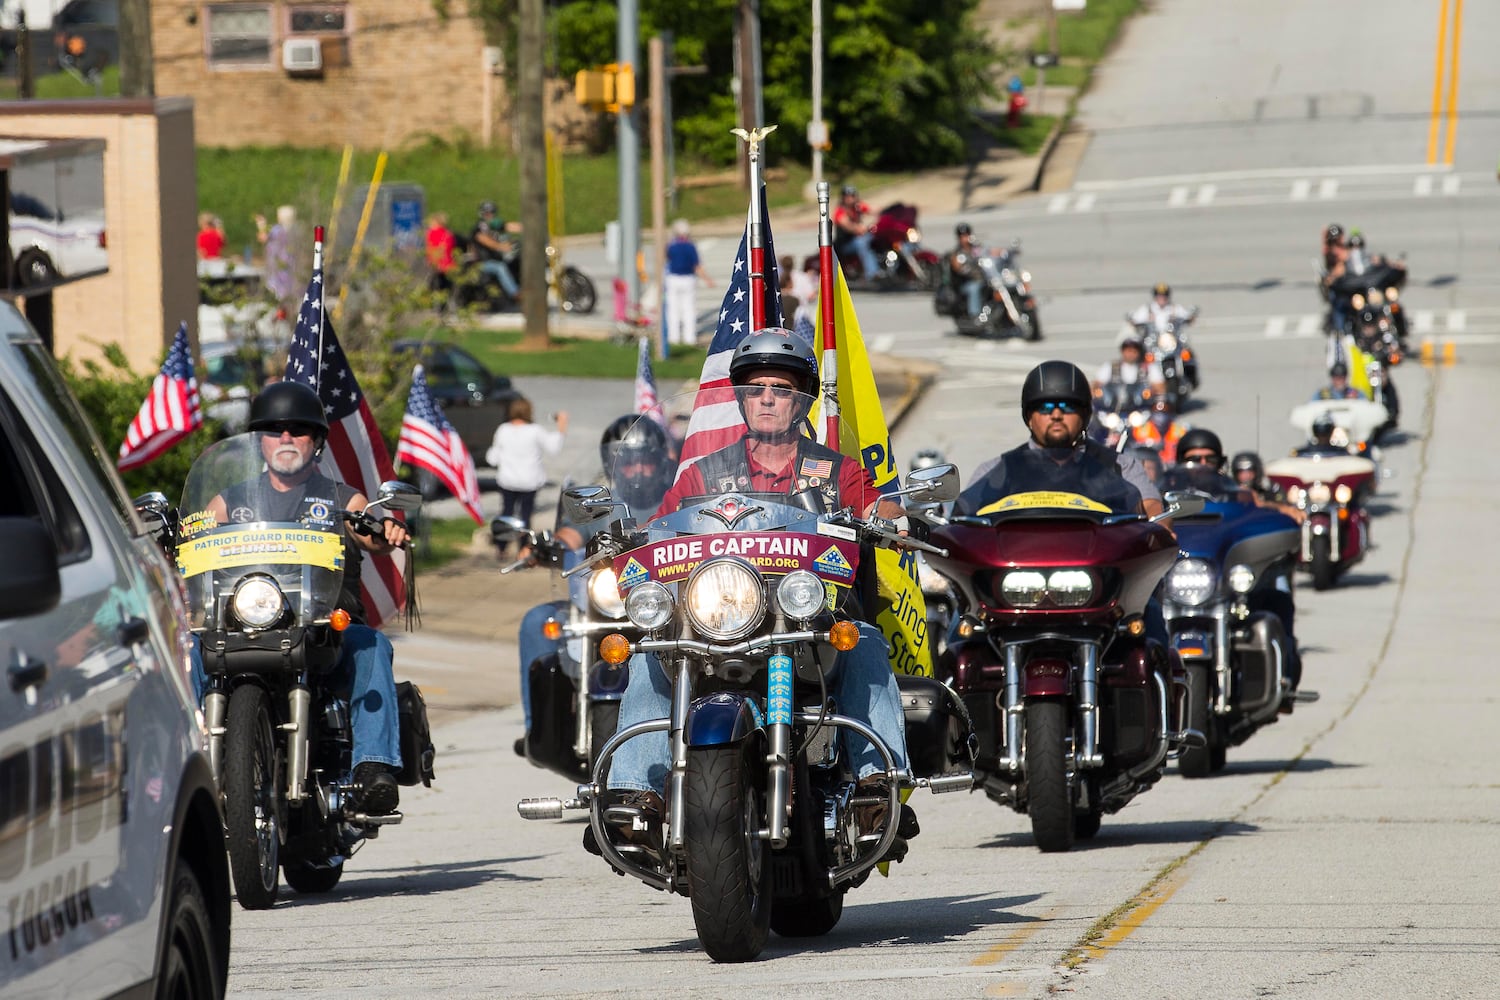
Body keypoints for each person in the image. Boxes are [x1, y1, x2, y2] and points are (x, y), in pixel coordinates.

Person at [601, 329, 916, 858]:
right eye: (755, 387)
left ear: (801, 400)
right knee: (649, 649)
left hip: (806, 622)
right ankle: (636, 792)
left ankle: (873, 786)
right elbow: (661, 527)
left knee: (861, 640)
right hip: (718, 618)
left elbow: (880, 506)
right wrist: (624, 535)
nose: (767, 397)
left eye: (780, 387)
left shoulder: (836, 471)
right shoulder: (704, 471)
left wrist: (893, 518)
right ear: (742, 398)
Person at [189, 382, 408, 814]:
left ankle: (372, 767)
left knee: (371, 645)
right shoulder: (229, 503)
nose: (285, 438)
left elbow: (369, 532)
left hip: (323, 631)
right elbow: (190, 541)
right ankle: (190, 754)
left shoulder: (342, 499)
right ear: (258, 442)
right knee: (192, 648)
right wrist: (162, 539)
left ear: (318, 442)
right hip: (246, 628)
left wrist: (386, 533)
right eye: (273, 430)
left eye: (297, 430)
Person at [513, 415, 675, 756]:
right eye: (626, 460)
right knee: (537, 621)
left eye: (644, 460)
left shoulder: (676, 499)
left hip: (663, 607)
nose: (636, 469)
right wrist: (548, 547)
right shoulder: (598, 502)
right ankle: (537, 731)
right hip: (604, 602)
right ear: (611, 462)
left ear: (659, 460)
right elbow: (570, 537)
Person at [1168, 429, 1302, 688]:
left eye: (1210, 460)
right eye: (1194, 459)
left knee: (1277, 600)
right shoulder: (1162, 498)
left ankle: (1282, 678)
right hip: (1181, 580)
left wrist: (1282, 511)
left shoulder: (1237, 495)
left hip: (1224, 583)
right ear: (1180, 462)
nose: (1203, 466)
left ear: (1221, 464)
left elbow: (1259, 508)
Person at [956, 360, 1163, 519]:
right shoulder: (997, 470)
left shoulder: (1120, 466)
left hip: (1101, 567)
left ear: (1085, 415)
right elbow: (962, 521)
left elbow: (1153, 509)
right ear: (1029, 416)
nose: (1056, 414)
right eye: (1045, 407)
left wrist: (1160, 526)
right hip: (1016, 568)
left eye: (1068, 406)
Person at [487, 397, 567, 528]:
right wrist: (562, 425)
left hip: (508, 480)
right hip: (529, 480)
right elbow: (554, 447)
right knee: (526, 513)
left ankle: (501, 545)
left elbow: (492, 458)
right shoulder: (535, 430)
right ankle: (523, 544)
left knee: (507, 512)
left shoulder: (503, 429)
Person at [664, 219, 711, 348]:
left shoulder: (671, 246)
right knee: (689, 309)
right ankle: (689, 337)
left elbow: (666, 258)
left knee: (673, 309)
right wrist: (707, 279)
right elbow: (696, 265)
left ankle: (673, 336)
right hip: (688, 279)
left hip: (673, 278)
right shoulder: (690, 246)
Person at [1093, 329, 1166, 407]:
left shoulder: (1149, 368)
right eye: (1128, 350)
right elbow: (1097, 385)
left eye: (1134, 351)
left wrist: (1152, 392)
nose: (1131, 354)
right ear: (1122, 351)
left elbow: (1160, 388)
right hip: (1114, 407)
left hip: (1142, 407)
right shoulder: (1110, 366)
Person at [471, 200, 521, 303]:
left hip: (494, 259)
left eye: (492, 213)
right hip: (481, 263)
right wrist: (501, 246)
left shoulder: (493, 225)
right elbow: (485, 240)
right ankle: (515, 293)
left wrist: (532, 227)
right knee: (500, 267)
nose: (491, 215)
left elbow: (509, 226)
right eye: (488, 213)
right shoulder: (480, 227)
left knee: (515, 262)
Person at [833, 185, 880, 281]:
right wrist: (858, 228)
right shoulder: (840, 211)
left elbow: (872, 210)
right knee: (862, 242)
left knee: (877, 238)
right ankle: (872, 273)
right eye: (847, 196)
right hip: (845, 244)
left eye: (852, 196)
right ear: (843, 198)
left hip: (857, 238)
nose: (850, 198)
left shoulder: (857, 207)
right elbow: (847, 224)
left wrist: (887, 213)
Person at [1128, 282, 1197, 338]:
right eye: (1159, 295)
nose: (1162, 297)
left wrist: (1191, 317)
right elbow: (1135, 320)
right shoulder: (1147, 309)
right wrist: (1133, 321)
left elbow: (1187, 317)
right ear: (1155, 296)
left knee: (1187, 352)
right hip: (1152, 342)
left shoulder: (1175, 308)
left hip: (1172, 341)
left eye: (1164, 295)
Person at [947, 222, 986, 318]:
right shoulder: (956, 252)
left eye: (966, 235)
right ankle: (975, 315)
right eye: (962, 236)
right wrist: (964, 269)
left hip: (982, 279)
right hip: (965, 283)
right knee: (974, 288)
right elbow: (956, 265)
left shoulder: (977, 248)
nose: (965, 238)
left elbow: (988, 253)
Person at [425, 211, 459, 299]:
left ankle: (439, 304)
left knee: (437, 285)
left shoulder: (433, 233)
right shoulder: (448, 234)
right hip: (449, 264)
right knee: (447, 285)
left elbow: (433, 249)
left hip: (440, 264)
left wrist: (433, 262)